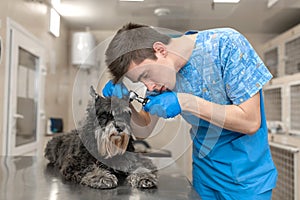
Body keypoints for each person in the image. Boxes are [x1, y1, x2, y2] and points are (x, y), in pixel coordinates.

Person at [102, 23, 277, 199]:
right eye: (141, 82)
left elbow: (251, 122)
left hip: (247, 179)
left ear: (160, 50)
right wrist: (125, 105)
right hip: (205, 175)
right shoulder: (161, 80)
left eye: (145, 75)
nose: (149, 86)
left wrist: (185, 101)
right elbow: (143, 130)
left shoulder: (226, 44)